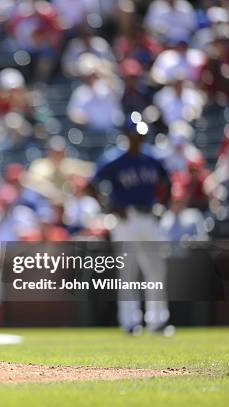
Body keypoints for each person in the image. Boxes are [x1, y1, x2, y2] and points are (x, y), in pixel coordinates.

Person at [90, 116, 173, 335]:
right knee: (128, 272)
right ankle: (130, 322)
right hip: (127, 219)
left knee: (156, 271)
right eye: (135, 134)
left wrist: (164, 205)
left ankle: (157, 320)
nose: (138, 138)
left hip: (149, 216)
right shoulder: (115, 160)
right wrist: (109, 207)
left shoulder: (152, 158)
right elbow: (92, 184)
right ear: (126, 135)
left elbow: (168, 182)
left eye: (141, 134)